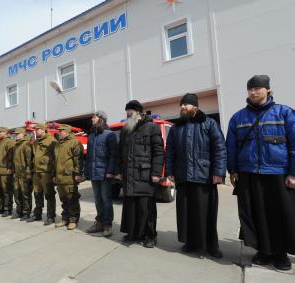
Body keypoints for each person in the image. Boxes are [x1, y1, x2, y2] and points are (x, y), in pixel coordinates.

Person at [226, 75, 295, 270]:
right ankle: (263, 251)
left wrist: (293, 173)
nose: (254, 92)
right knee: (256, 214)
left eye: (258, 88)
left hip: (277, 173)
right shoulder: (238, 117)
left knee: (280, 215)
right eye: (250, 89)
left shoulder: (284, 113)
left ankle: (281, 254)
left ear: (268, 90)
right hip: (248, 173)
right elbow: (231, 147)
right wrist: (232, 170)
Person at [166, 93, 226, 258]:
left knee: (207, 213)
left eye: (186, 104)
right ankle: (190, 242)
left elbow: (219, 148)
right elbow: (170, 152)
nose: (183, 107)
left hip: (204, 176)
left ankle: (211, 246)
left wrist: (218, 172)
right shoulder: (176, 128)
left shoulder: (209, 123)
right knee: (187, 214)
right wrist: (169, 172)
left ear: (196, 107)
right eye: (182, 104)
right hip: (183, 177)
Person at [117, 100, 164, 248]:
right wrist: (120, 171)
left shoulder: (152, 127)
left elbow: (158, 151)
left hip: (145, 173)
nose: (128, 114)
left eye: (130, 111)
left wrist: (156, 172)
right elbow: (120, 153)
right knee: (131, 207)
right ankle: (133, 234)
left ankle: (150, 236)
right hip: (129, 174)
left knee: (146, 208)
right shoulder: (126, 130)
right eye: (127, 112)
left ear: (138, 112)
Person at [85, 111, 118, 237]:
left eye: (94, 117)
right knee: (98, 200)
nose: (92, 119)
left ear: (101, 119)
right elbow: (88, 157)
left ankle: (107, 225)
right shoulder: (91, 135)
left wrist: (110, 171)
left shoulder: (110, 135)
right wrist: (86, 172)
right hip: (94, 174)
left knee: (106, 200)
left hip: (105, 174)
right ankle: (99, 223)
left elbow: (113, 155)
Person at [54, 124, 84, 230]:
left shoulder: (74, 143)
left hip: (69, 177)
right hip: (59, 177)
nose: (59, 132)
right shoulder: (57, 144)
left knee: (72, 199)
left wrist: (78, 174)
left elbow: (79, 160)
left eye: (61, 131)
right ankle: (65, 218)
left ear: (67, 131)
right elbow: (55, 161)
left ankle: (73, 220)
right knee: (64, 200)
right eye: (59, 131)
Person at [30, 123, 57, 225]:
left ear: (43, 130)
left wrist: (53, 172)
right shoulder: (36, 142)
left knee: (49, 195)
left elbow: (55, 157)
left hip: (46, 172)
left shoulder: (52, 140)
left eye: (37, 129)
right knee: (37, 194)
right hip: (37, 172)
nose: (36, 131)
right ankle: (37, 214)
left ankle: (51, 216)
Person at [11, 128, 33, 221]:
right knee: (17, 193)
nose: (16, 135)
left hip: (24, 174)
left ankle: (26, 213)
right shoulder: (16, 145)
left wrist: (28, 172)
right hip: (17, 174)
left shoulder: (26, 144)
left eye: (17, 134)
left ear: (22, 134)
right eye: (15, 134)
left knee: (25, 194)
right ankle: (19, 212)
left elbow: (29, 160)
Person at [0, 127, 15, 217]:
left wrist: (10, 167)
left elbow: (11, 156)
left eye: (0, 132)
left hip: (5, 170)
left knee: (7, 191)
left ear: (5, 133)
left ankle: (7, 209)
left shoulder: (9, 142)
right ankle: (0, 207)